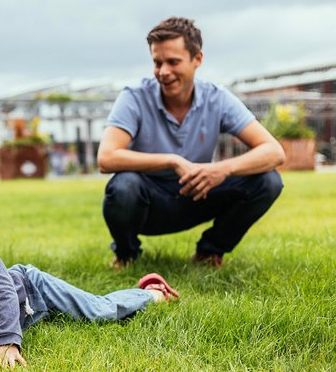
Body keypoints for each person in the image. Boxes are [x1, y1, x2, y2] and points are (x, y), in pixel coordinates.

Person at [0, 184, 179, 368]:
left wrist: (5, 342)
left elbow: (3, 289)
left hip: (33, 289)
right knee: (66, 318)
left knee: (99, 311)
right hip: (27, 314)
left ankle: (150, 293)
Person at [97, 17, 285, 269]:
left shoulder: (217, 99)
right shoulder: (133, 96)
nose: (163, 72)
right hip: (149, 202)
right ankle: (126, 254)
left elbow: (274, 152)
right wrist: (172, 160)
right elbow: (106, 158)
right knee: (124, 186)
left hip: (198, 193)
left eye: (173, 62)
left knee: (268, 180)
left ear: (197, 59)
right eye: (157, 62)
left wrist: (222, 169)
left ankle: (210, 251)